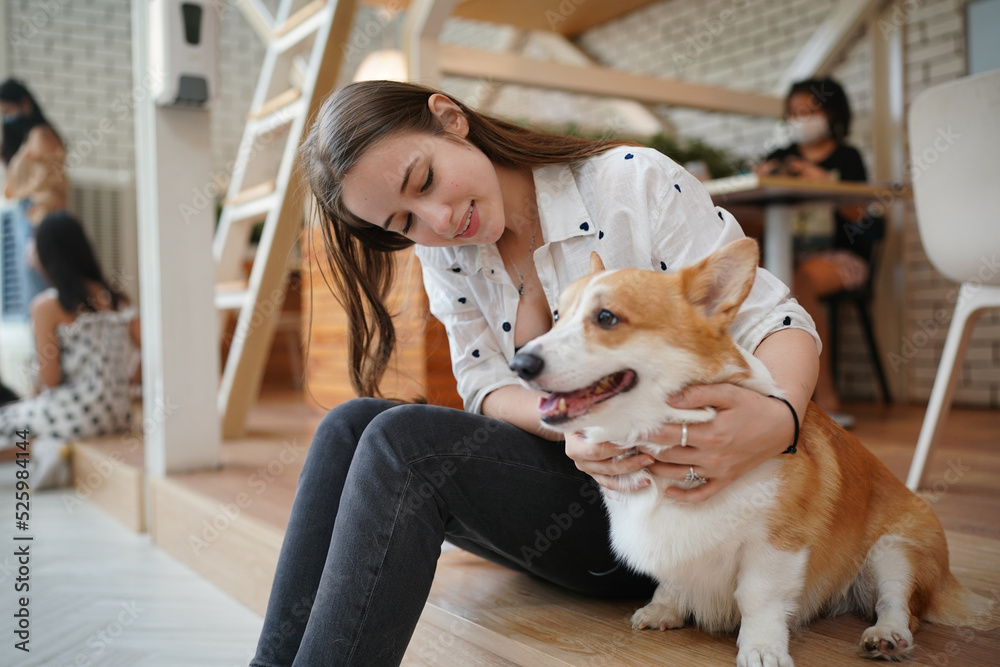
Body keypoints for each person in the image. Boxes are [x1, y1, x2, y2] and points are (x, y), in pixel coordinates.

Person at [250, 80, 820, 666]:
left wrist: (781, 420)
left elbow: (775, 320)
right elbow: (482, 386)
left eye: (423, 181)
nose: (439, 221)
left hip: (671, 503)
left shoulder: (631, 181)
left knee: (404, 445)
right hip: (570, 493)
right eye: (404, 222)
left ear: (449, 118)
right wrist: (570, 425)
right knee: (349, 424)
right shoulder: (442, 251)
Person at [756, 77, 884, 429]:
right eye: (795, 112)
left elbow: (869, 223)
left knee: (793, 280)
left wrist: (824, 183)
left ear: (833, 113)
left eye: (811, 111)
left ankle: (823, 399)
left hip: (840, 258)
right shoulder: (779, 158)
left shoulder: (848, 158)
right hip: (789, 256)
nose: (802, 119)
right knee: (761, 278)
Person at [0, 212, 139, 488]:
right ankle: (46, 447)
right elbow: (145, 361)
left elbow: (50, 379)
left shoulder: (48, 306)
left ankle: (45, 448)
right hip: (117, 415)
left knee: (7, 418)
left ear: (48, 253)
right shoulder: (119, 301)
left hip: (75, 413)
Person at [1, 78, 68, 314]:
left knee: (39, 292)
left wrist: (38, 234)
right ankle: (40, 346)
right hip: (27, 216)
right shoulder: (27, 140)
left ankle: (46, 347)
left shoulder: (41, 136)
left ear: (25, 104)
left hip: (38, 217)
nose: (7, 117)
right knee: (32, 292)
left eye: (9, 110)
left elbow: (50, 188)